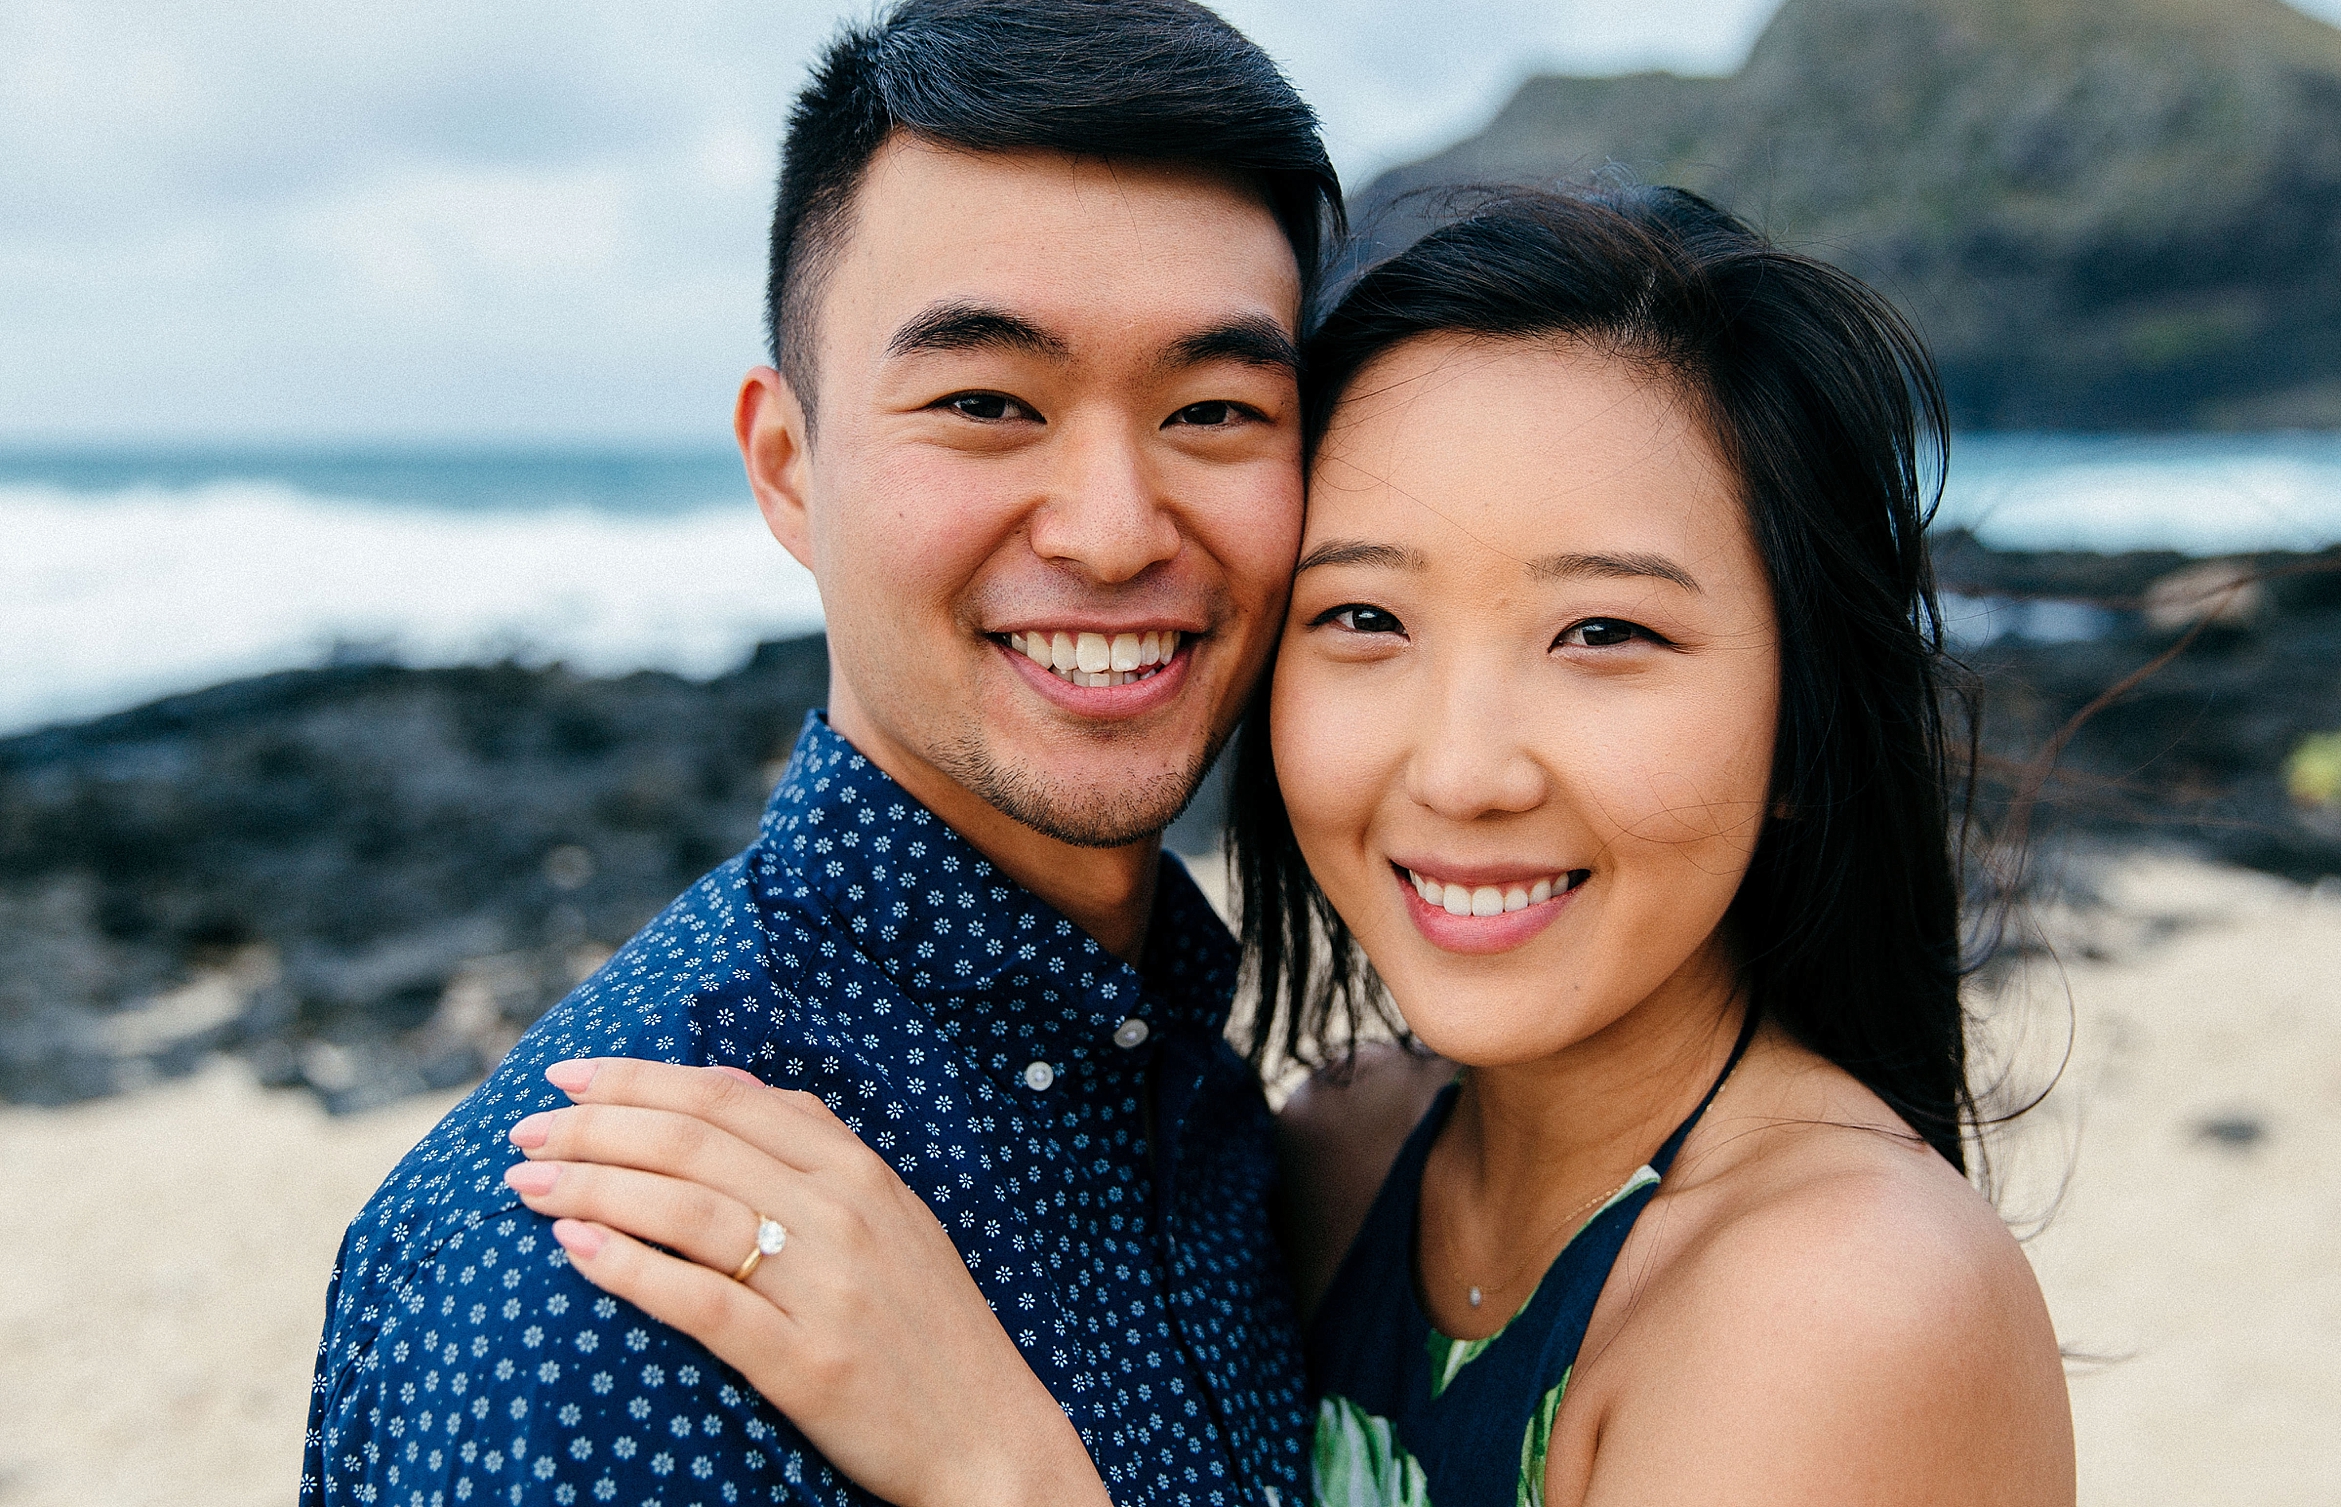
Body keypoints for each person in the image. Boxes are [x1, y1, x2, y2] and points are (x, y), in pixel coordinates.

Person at [504, 185, 2078, 1505]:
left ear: (1804, 725)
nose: (1460, 773)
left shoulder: (1853, 1300)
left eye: (1603, 632)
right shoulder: (1335, 1155)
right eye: (1365, 618)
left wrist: (1008, 1472)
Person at [301, 0, 1342, 1507]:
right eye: (989, 400)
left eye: (1213, 413)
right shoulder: (607, 1267)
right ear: (788, 468)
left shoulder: (1204, 1105)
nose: (1118, 532)